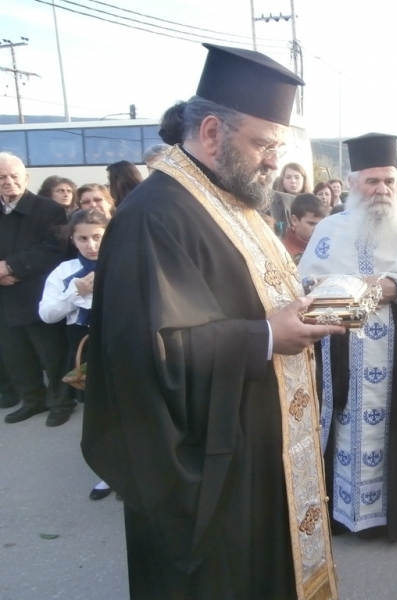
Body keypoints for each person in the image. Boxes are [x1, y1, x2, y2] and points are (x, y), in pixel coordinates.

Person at [81, 44, 339, 600]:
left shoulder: (229, 197)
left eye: (278, 146)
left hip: (257, 441)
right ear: (214, 132)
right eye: (264, 145)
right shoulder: (156, 213)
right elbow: (146, 353)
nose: (274, 160)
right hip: (210, 460)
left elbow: (243, 293)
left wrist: (304, 301)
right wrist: (269, 335)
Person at [298, 133, 397, 542]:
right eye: (372, 181)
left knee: (395, 429)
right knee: (341, 425)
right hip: (341, 354)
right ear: (352, 183)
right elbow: (304, 285)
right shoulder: (328, 229)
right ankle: (342, 515)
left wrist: (394, 287)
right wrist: (342, 289)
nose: (382, 189)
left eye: (389, 181)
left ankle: (396, 515)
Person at [38, 208, 112, 498]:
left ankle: (135, 470)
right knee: (98, 414)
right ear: (73, 239)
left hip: (121, 343)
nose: (91, 245)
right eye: (82, 238)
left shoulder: (121, 263)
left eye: (97, 237)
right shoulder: (65, 272)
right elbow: (46, 314)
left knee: (131, 410)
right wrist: (76, 292)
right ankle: (108, 473)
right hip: (86, 347)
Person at [0, 152, 71, 426]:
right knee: (15, 354)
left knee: (51, 355)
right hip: (5, 298)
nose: (8, 182)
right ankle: (33, 401)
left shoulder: (48, 209)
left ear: (26, 178)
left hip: (37, 295)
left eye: (14, 176)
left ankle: (60, 403)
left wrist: (9, 267)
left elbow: (54, 249)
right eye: (2, 177)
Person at [283, 193, 325, 263]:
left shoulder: (327, 246)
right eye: (311, 223)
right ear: (294, 221)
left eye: (320, 224)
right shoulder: (283, 250)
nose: (317, 228)